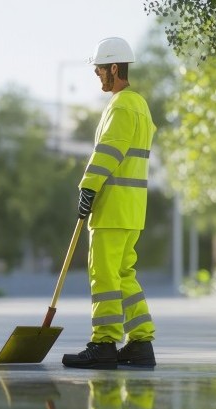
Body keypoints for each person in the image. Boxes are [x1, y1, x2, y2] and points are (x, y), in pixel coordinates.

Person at [62, 37, 158, 370]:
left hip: (112, 208)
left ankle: (104, 344)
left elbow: (109, 151)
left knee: (103, 276)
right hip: (132, 209)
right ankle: (141, 343)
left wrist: (88, 187)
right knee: (123, 275)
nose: (97, 75)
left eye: (99, 70)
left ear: (114, 68)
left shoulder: (121, 106)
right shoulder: (140, 106)